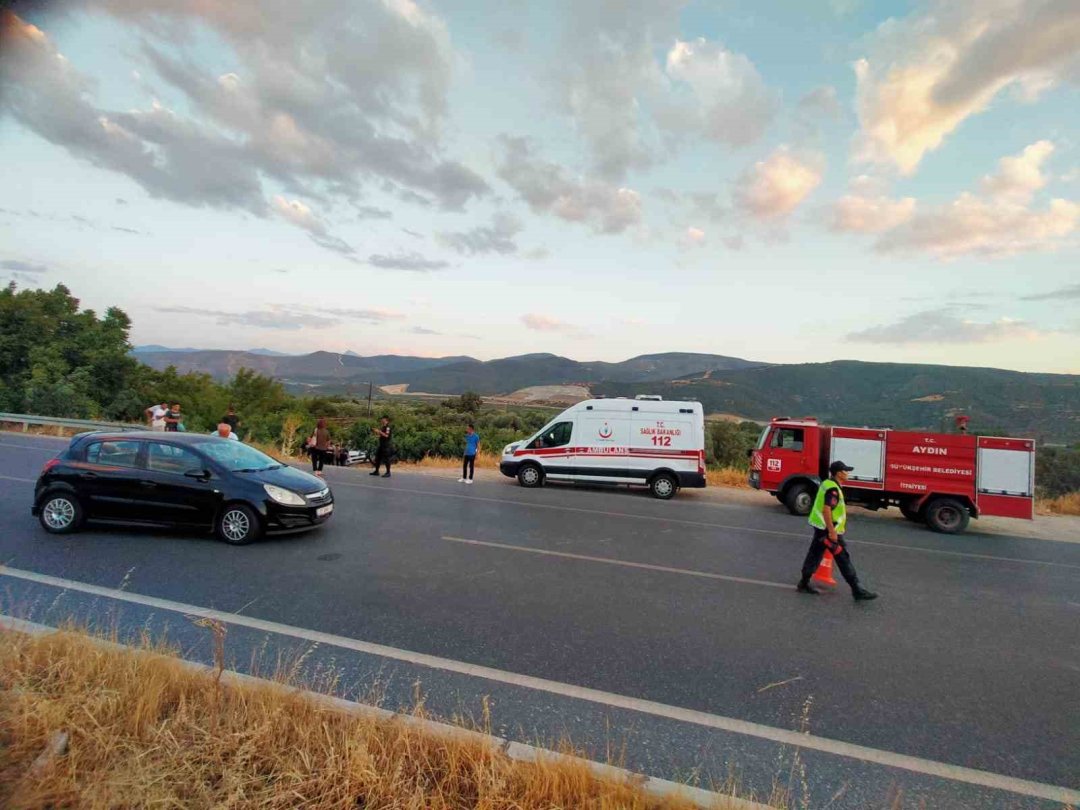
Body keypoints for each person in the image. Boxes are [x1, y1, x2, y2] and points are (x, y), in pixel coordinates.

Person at [797, 460, 878, 601]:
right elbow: (826, 509)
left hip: (821, 528)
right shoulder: (833, 489)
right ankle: (857, 589)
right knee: (842, 557)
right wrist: (832, 532)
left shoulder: (827, 483)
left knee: (815, 554)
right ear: (839, 473)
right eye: (845, 471)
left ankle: (804, 582)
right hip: (828, 530)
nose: (847, 473)